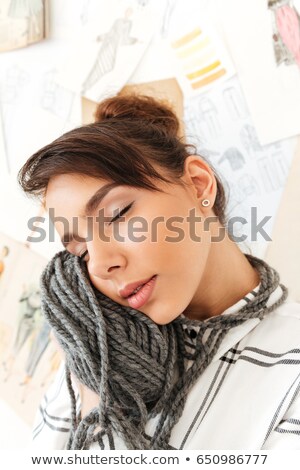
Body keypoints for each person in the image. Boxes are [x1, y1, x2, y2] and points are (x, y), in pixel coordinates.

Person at [18, 94, 300, 450]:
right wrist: (95, 382)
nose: (102, 263)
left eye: (117, 215)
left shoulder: (291, 367)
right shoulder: (99, 354)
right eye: (82, 249)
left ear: (198, 184)